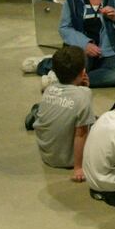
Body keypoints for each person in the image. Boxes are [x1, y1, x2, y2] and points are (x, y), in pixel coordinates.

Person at [32, 45, 97, 180]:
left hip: (47, 155)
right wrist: (78, 167)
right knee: (98, 122)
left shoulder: (49, 90)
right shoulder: (84, 95)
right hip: (68, 159)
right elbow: (81, 133)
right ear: (83, 72)